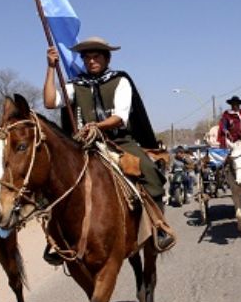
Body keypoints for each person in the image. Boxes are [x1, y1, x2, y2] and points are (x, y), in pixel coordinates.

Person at [43, 36, 175, 253]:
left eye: (96, 57)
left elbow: (121, 116)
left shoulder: (120, 80)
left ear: (106, 58)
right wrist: (50, 68)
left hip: (119, 141)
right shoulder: (76, 84)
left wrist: (98, 125)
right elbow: (50, 102)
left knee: (149, 171)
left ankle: (158, 226)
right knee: (59, 179)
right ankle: (57, 236)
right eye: (87, 58)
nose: (91, 61)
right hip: (85, 144)